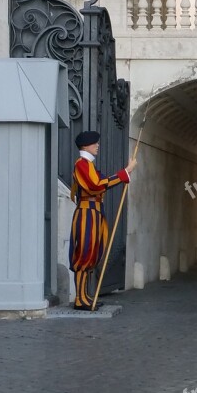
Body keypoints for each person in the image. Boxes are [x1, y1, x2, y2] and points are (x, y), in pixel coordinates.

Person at [68, 131, 137, 311]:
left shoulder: (88, 165)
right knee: (84, 254)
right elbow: (96, 185)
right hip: (87, 213)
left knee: (91, 254)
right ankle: (80, 298)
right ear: (85, 146)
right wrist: (125, 173)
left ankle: (85, 295)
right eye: (94, 143)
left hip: (95, 212)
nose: (97, 146)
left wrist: (123, 175)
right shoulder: (82, 164)